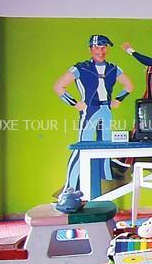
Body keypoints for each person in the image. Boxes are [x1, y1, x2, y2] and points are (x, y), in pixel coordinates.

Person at [55, 34, 132, 190]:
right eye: (97, 47)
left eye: (103, 47)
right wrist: (75, 103)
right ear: (90, 49)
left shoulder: (113, 68)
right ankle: (70, 187)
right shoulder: (80, 68)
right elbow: (59, 87)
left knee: (105, 147)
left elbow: (129, 86)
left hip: (106, 110)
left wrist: (118, 100)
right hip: (90, 110)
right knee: (83, 146)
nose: (100, 51)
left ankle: (104, 184)